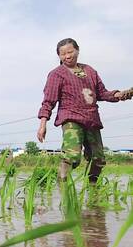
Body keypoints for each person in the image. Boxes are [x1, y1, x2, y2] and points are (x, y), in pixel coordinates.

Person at [37, 38, 131, 183]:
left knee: (98, 159)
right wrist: (43, 124)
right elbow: (49, 101)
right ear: (59, 56)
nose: (67, 56)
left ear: (77, 50)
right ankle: (63, 190)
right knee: (72, 156)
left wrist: (120, 95)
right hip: (71, 118)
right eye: (63, 54)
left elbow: (102, 93)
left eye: (70, 52)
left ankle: (92, 191)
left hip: (92, 119)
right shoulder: (57, 74)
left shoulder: (90, 71)